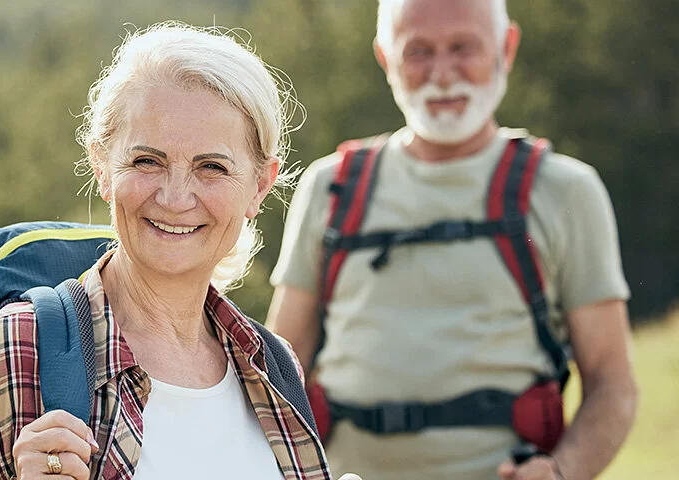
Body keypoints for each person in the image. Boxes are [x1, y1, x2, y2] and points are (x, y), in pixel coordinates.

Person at [0, 23, 334, 480]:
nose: (174, 196)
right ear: (102, 167)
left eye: (212, 167)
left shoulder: (274, 367)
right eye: (148, 161)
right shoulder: (4, 354)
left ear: (259, 187)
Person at [266, 1, 638, 479]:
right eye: (418, 51)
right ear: (386, 58)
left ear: (507, 48)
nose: (442, 75)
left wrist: (563, 471)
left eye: (464, 48)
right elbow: (280, 368)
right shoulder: (330, 187)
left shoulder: (566, 191)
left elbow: (613, 384)